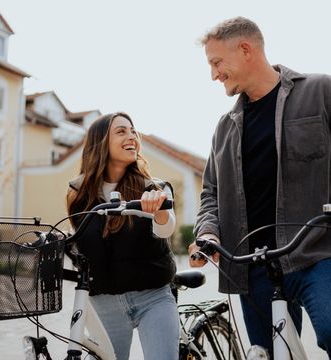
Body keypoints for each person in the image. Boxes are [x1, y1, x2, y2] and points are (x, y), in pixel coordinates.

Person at [188, 16, 331, 358]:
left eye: (216, 62)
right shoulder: (224, 127)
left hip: (318, 254)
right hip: (252, 268)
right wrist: (207, 233)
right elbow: (211, 193)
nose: (214, 74)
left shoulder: (320, 91)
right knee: (266, 354)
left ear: (246, 49)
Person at [67, 112, 179, 360]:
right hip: (104, 304)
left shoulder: (153, 188)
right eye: (121, 131)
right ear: (100, 143)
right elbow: (81, 241)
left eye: (132, 130)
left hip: (153, 298)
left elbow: (166, 228)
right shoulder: (79, 194)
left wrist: (159, 211)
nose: (132, 136)